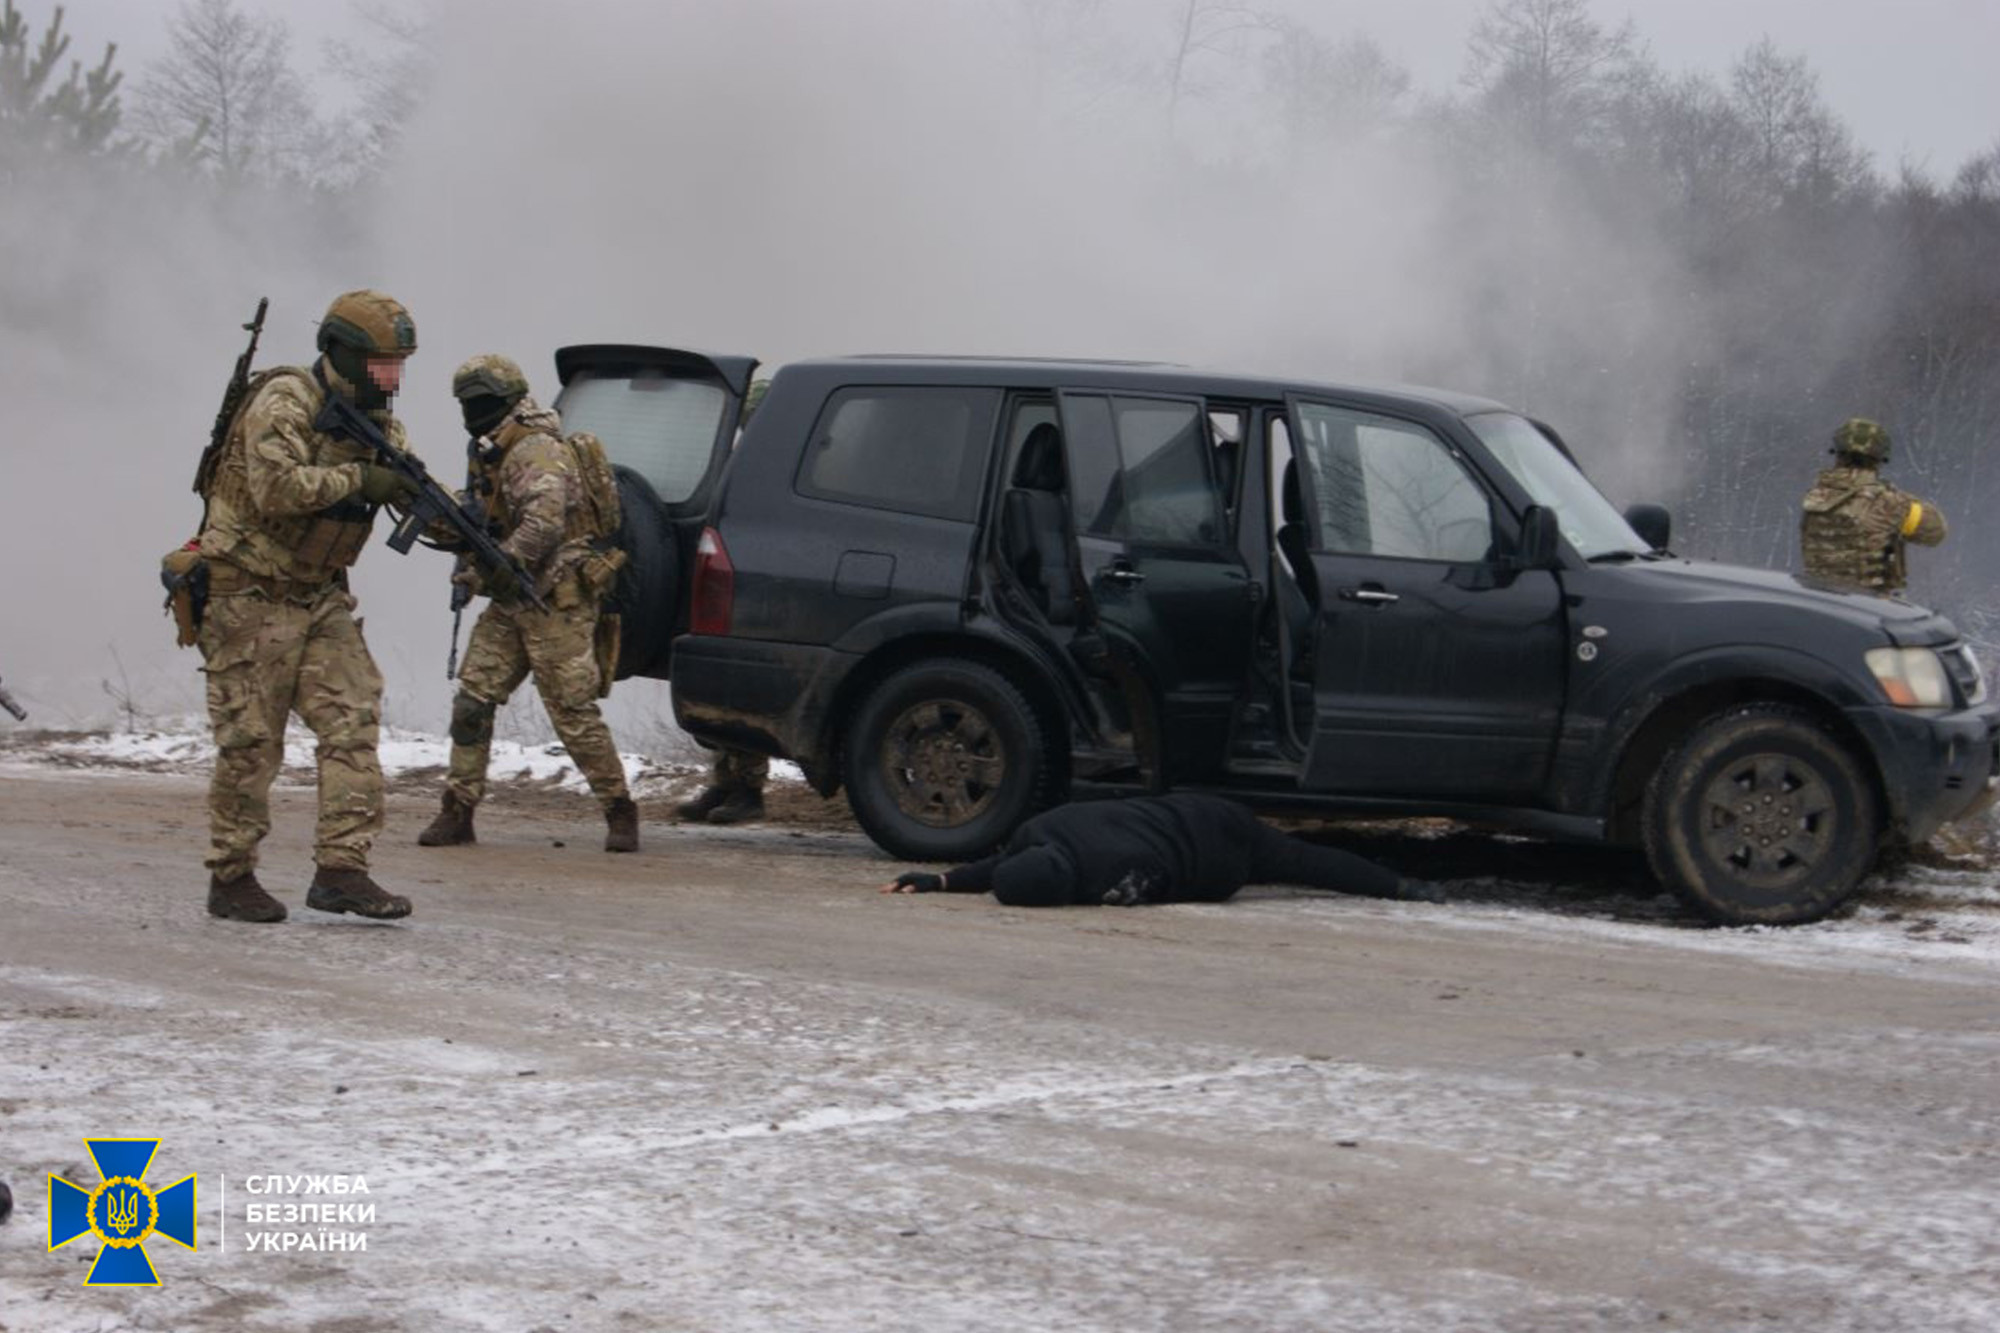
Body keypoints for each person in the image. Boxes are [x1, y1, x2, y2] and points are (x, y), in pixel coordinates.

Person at [195, 289, 424, 924]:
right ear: (342, 355)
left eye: (399, 364)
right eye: (382, 362)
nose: (393, 378)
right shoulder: (284, 400)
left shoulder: (381, 424)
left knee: (353, 722)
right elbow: (275, 488)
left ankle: (342, 869)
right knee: (251, 742)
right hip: (248, 593)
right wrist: (361, 480)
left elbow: (401, 484)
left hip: (318, 596)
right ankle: (232, 876)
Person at [417, 355, 638, 852]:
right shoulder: (492, 449)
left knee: (571, 713)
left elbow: (544, 526)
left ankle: (620, 809)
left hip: (555, 599)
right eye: (465, 404)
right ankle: (458, 810)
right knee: (473, 700)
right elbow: (487, 516)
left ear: (505, 399)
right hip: (513, 599)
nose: (470, 412)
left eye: (478, 402)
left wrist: (491, 567)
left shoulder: (535, 450)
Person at [881, 792, 1441, 907]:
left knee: (1305, 864)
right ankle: (1400, 884)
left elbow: (1150, 874)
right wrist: (942, 881)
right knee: (1312, 861)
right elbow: (1000, 867)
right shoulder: (1042, 829)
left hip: (1218, 855)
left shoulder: (1102, 876)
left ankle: (1401, 885)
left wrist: (1140, 892)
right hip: (1201, 807)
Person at [678, 378, 773, 827]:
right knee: (721, 688)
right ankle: (724, 782)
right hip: (728, 578)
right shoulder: (749, 457)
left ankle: (749, 790)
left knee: (743, 691)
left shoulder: (778, 458)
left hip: (757, 582)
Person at [1799, 417, 1946, 596]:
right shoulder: (1888, 503)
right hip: (1867, 608)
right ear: (1880, 457)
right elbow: (1935, 532)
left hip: (1820, 602)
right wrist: (1902, 499)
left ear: (1837, 452)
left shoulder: (1816, 495)